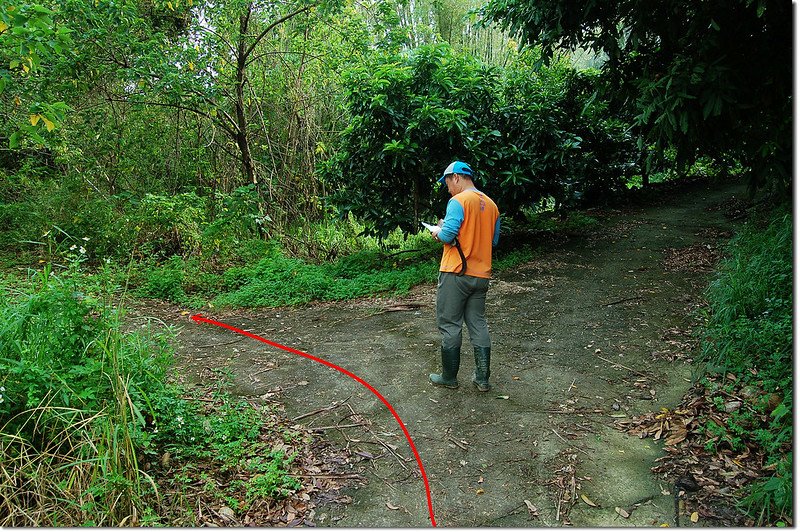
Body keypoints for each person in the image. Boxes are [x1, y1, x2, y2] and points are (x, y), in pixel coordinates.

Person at [427, 161, 500, 392]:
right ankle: (482, 378)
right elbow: (494, 241)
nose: (447, 187)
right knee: (477, 323)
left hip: (456, 273)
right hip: (481, 275)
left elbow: (448, 235)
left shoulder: (458, 201)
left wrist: (438, 230)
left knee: (450, 324)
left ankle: (449, 377)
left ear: (456, 177)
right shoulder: (492, 205)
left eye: (447, 182)